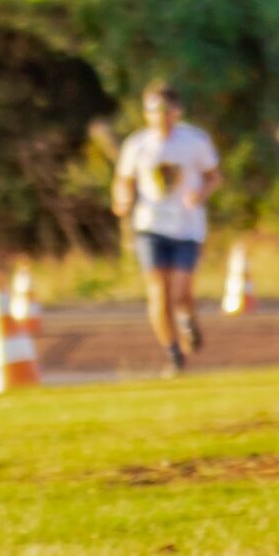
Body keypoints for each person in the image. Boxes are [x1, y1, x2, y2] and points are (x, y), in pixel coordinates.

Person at [112, 80, 222, 375]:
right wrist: (122, 198)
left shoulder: (195, 141)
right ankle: (173, 353)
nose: (159, 116)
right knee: (158, 293)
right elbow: (123, 180)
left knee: (182, 293)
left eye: (164, 110)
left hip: (187, 226)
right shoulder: (137, 145)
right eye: (152, 110)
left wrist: (201, 193)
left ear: (177, 111)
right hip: (150, 226)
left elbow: (213, 176)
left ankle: (188, 321)